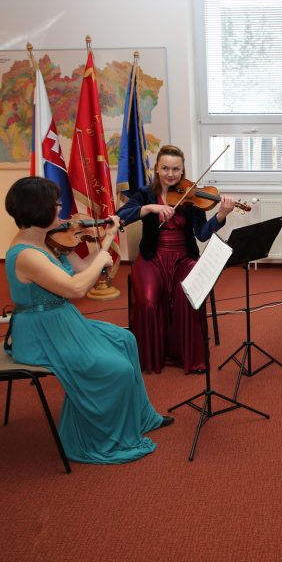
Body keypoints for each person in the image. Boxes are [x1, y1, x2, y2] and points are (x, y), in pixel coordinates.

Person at [4, 177, 170, 464]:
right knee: (116, 368)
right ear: (39, 209)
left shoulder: (46, 240)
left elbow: (82, 268)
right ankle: (103, 438)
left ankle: (139, 416)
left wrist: (107, 237)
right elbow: (77, 288)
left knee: (125, 339)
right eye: (56, 204)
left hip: (62, 320)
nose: (61, 209)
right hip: (42, 332)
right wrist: (103, 254)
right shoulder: (27, 255)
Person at [117, 144, 235, 373]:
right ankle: (151, 357)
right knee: (148, 301)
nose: (170, 174)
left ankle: (188, 357)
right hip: (152, 257)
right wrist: (149, 208)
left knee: (189, 296)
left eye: (176, 169)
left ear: (182, 170)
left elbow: (202, 234)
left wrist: (221, 215)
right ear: (157, 169)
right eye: (165, 168)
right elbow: (120, 217)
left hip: (184, 258)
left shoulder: (190, 195)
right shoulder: (145, 194)